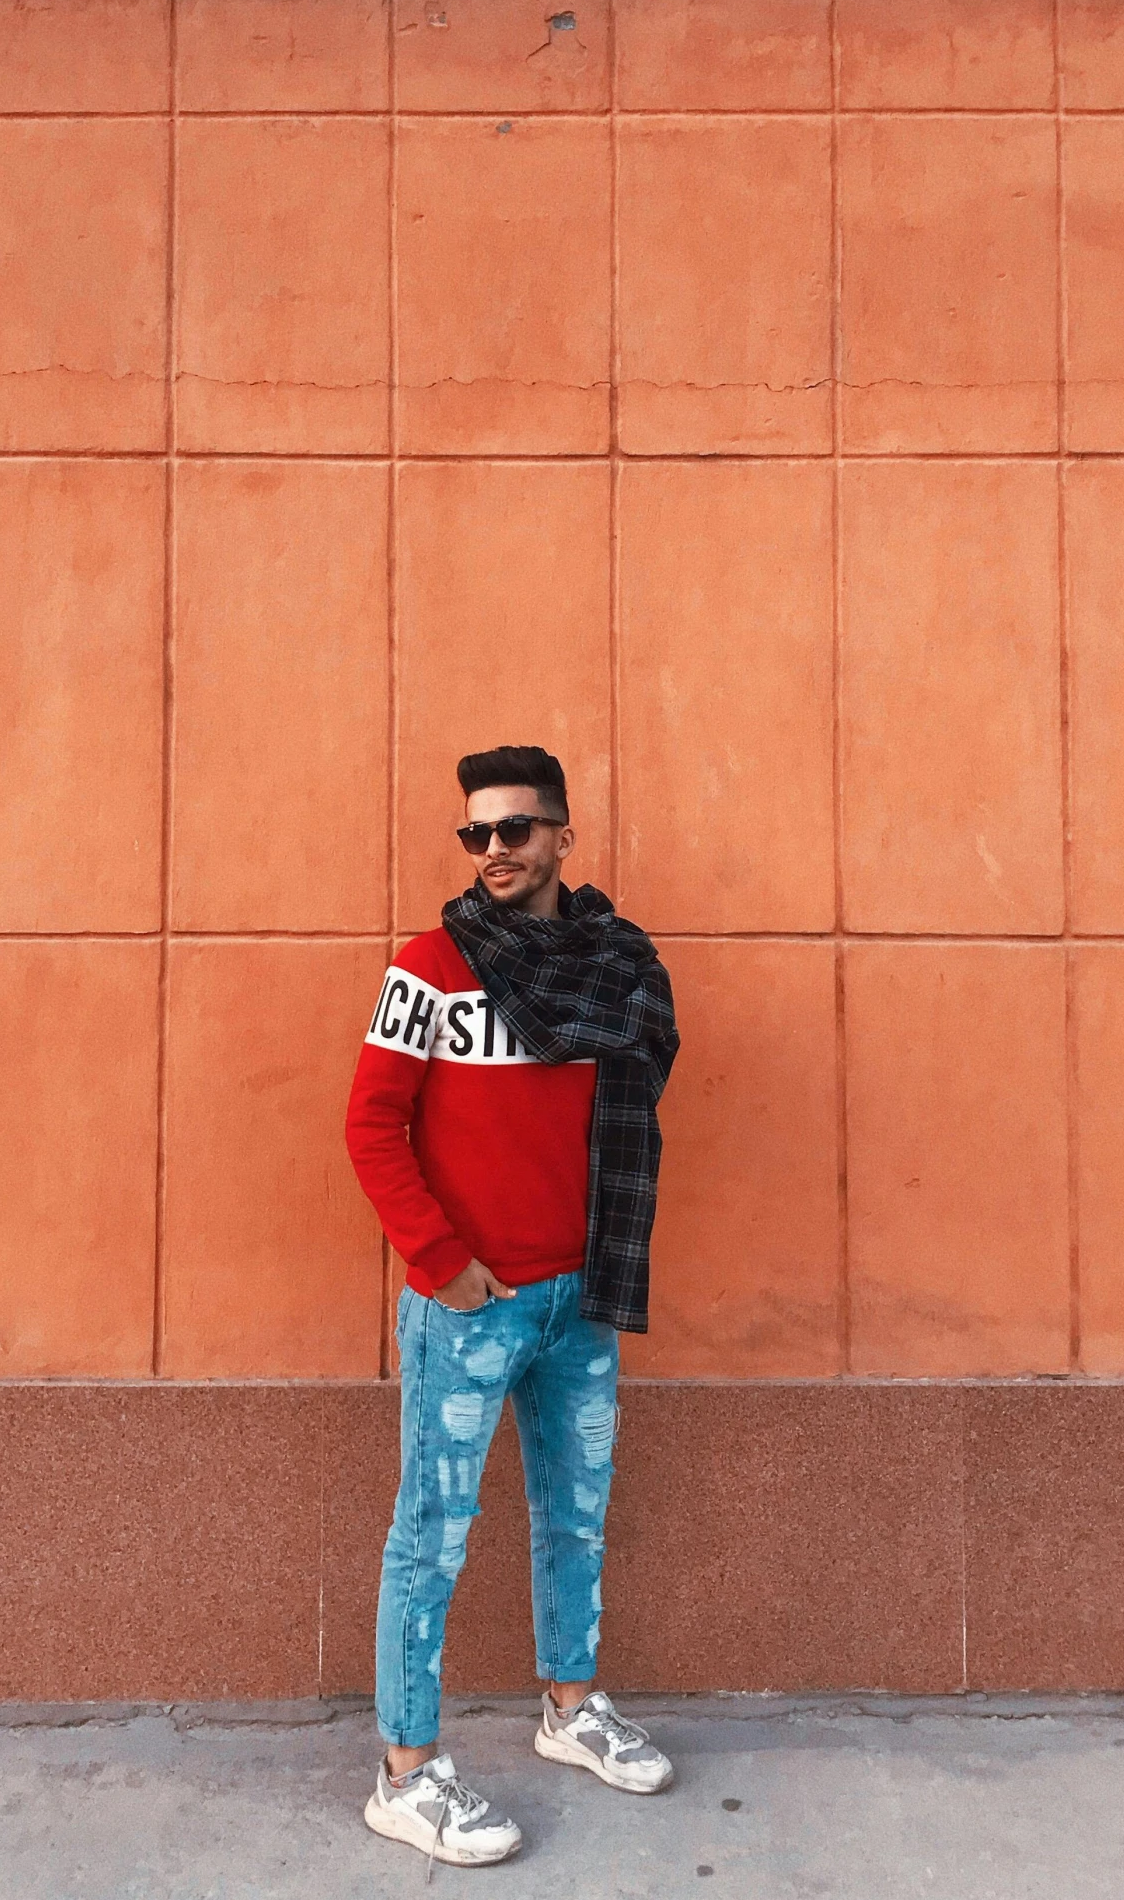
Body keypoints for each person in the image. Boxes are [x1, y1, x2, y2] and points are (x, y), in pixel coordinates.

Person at [346, 744, 681, 1868]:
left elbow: (626, 1105)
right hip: (469, 1307)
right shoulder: (430, 967)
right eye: (476, 834)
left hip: (580, 1297)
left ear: (561, 838)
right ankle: (406, 1773)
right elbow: (371, 1126)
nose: (494, 851)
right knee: (431, 1539)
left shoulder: (612, 967)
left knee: (577, 1512)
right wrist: (443, 1262)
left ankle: (568, 1707)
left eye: (517, 830)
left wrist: (587, 1268)